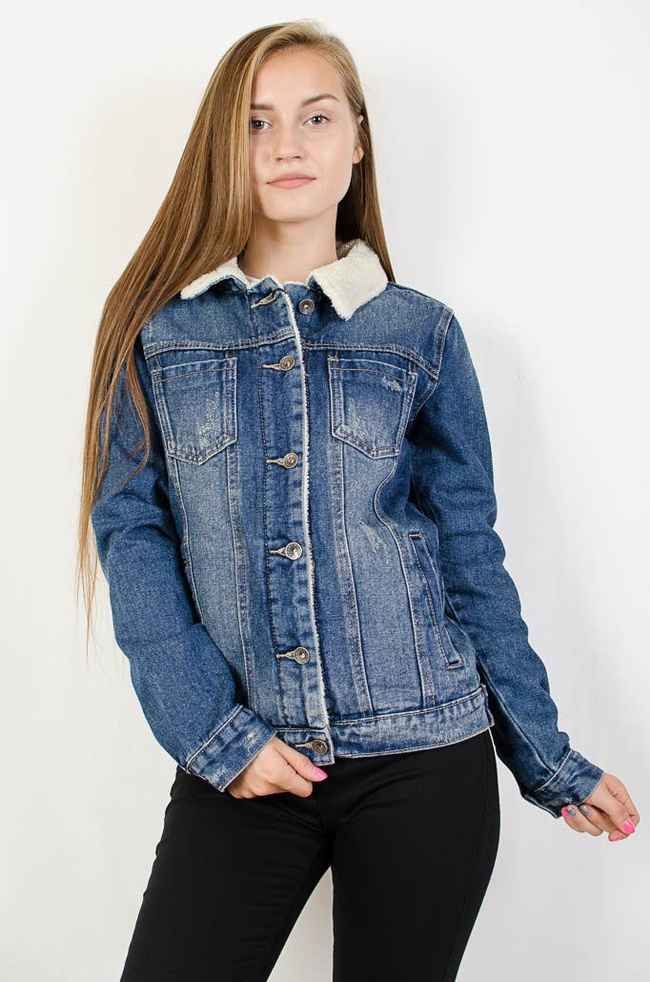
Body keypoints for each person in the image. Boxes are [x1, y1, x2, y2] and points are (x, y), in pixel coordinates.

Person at [77, 19, 639, 982]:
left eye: (316, 117)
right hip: (246, 758)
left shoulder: (421, 333)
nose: (286, 145)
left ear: (358, 140)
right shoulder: (158, 334)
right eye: (256, 122)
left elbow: (469, 554)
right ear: (223, 146)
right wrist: (215, 734)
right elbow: (132, 537)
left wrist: (546, 758)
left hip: (428, 754)